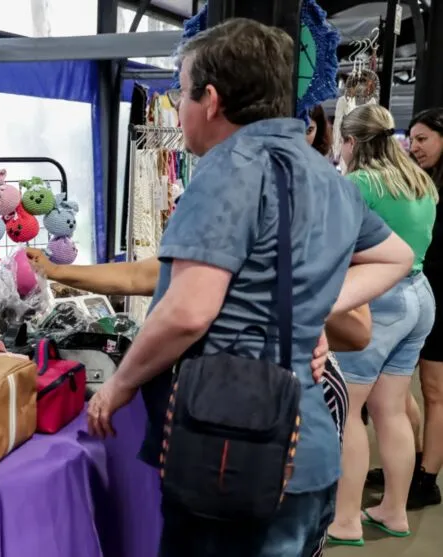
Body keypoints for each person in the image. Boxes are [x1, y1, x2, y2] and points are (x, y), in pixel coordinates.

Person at [79, 19, 413, 557]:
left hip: (233, 455)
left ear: (210, 99)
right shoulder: (325, 174)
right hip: (308, 450)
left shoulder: (224, 171)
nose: (180, 107)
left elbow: (188, 312)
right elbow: (397, 256)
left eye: (182, 92)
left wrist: (118, 387)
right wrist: (306, 308)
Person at [327, 105, 437, 544]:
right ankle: (394, 510)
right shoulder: (419, 180)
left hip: (377, 300)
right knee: (392, 408)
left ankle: (347, 519)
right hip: (420, 296)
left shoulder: (355, 184)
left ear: (352, 143)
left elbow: (339, 246)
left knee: (351, 411)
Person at [401, 107, 443, 509]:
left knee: (434, 392)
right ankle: (411, 462)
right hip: (420, 292)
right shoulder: (421, 182)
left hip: (439, 299)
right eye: (411, 139)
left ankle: (428, 478)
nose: (414, 147)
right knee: (396, 388)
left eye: (422, 139)